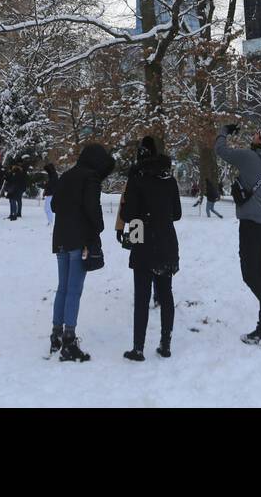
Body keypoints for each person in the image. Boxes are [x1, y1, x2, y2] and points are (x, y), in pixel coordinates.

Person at [214, 123, 261, 348]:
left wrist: (223, 131)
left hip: (249, 224)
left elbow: (221, 151)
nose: (254, 135)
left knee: (249, 275)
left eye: (258, 134)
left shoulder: (250, 158)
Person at [118, 136, 181, 361]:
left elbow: (128, 214)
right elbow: (178, 214)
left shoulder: (137, 179)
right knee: (166, 294)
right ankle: (166, 343)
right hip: (166, 241)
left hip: (144, 242)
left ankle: (138, 347)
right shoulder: (169, 180)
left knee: (142, 296)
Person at [49, 143, 113, 362]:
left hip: (60, 239)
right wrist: (99, 228)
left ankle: (55, 335)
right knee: (74, 290)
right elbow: (92, 209)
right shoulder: (91, 178)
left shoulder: (67, 176)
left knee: (63, 288)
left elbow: (55, 206)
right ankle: (69, 339)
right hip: (79, 241)